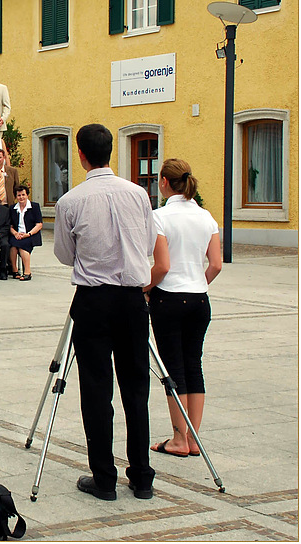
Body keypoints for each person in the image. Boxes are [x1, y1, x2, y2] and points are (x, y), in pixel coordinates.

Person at [53, 123, 156, 502]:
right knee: (136, 389)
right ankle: (142, 476)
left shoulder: (71, 201)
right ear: (111, 151)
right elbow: (146, 244)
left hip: (94, 299)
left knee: (96, 390)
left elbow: (65, 255)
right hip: (132, 299)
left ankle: (105, 478)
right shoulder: (139, 194)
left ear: (80, 155)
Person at [145, 159, 222, 458]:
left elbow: (162, 266)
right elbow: (215, 264)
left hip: (169, 298)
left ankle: (178, 438)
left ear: (164, 182)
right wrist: (197, 283)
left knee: (172, 369)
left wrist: (144, 287)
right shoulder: (206, 216)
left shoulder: (160, 216)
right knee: (194, 365)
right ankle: (193, 438)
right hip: (199, 298)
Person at [9, 185, 43, 280]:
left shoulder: (34, 206)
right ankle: (15, 271)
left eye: (23, 195)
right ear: (16, 197)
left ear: (27, 195)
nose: (21, 197)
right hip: (17, 234)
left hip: (31, 234)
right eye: (19, 195)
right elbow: (10, 226)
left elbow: (39, 225)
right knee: (12, 246)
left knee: (22, 246)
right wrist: (15, 233)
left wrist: (28, 234)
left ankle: (27, 272)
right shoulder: (12, 208)